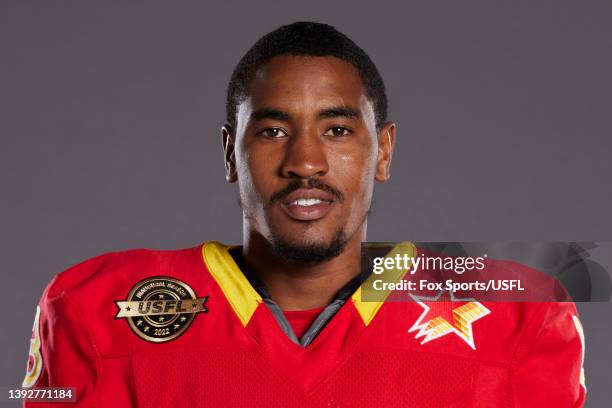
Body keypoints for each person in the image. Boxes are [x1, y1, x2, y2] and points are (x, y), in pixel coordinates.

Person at [22, 22, 586, 407]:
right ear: (229, 153)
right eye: (272, 131)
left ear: (383, 151)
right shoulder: (91, 306)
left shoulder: (519, 310)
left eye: (337, 130)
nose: (306, 162)